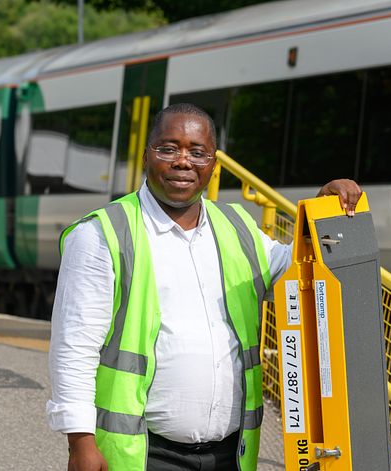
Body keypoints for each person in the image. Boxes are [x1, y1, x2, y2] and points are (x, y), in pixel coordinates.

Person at [47, 103, 362, 471]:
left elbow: (297, 276)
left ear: (213, 166)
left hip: (231, 453)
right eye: (169, 148)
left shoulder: (237, 225)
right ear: (147, 155)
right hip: (145, 454)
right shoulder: (102, 234)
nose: (184, 161)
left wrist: (321, 213)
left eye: (198, 152)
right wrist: (79, 443)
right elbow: (74, 348)